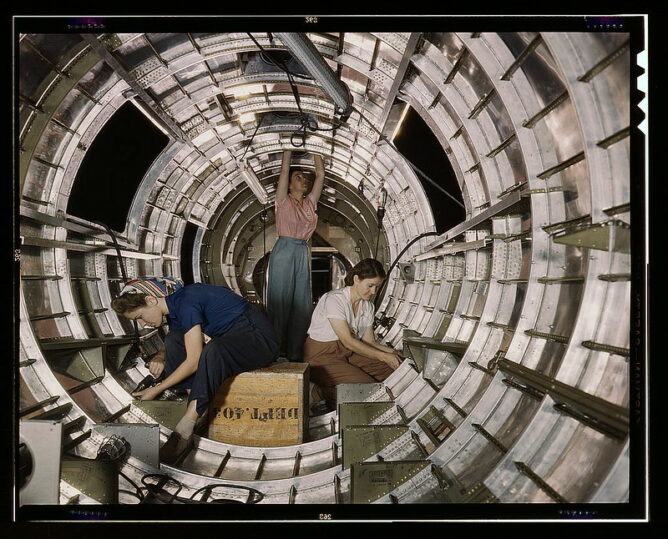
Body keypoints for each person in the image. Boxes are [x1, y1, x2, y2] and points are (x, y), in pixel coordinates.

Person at [111, 277, 278, 464]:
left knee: (215, 349)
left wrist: (156, 389)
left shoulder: (188, 301)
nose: (143, 324)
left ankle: (187, 425)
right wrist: (160, 356)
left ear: (151, 300)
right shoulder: (175, 309)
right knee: (173, 339)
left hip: (258, 340)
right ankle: (196, 405)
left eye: (140, 317)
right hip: (231, 340)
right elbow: (179, 341)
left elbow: (194, 361)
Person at [303, 259, 403, 410]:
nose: (374, 292)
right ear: (356, 279)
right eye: (370, 286)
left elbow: (370, 342)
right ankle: (318, 392)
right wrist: (383, 356)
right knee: (365, 387)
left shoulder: (367, 306)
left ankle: (334, 384)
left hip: (348, 353)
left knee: (392, 369)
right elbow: (348, 341)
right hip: (321, 356)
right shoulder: (334, 299)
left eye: (377, 287)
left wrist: (394, 353)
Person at [266, 149, 325, 361]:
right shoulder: (283, 199)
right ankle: (273, 351)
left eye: (303, 177)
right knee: (280, 302)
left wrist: (318, 148)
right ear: (290, 185)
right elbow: (284, 170)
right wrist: (288, 149)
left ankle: (295, 352)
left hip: (302, 251)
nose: (303, 180)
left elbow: (320, 175)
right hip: (284, 250)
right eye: (297, 177)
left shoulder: (310, 203)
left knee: (302, 303)